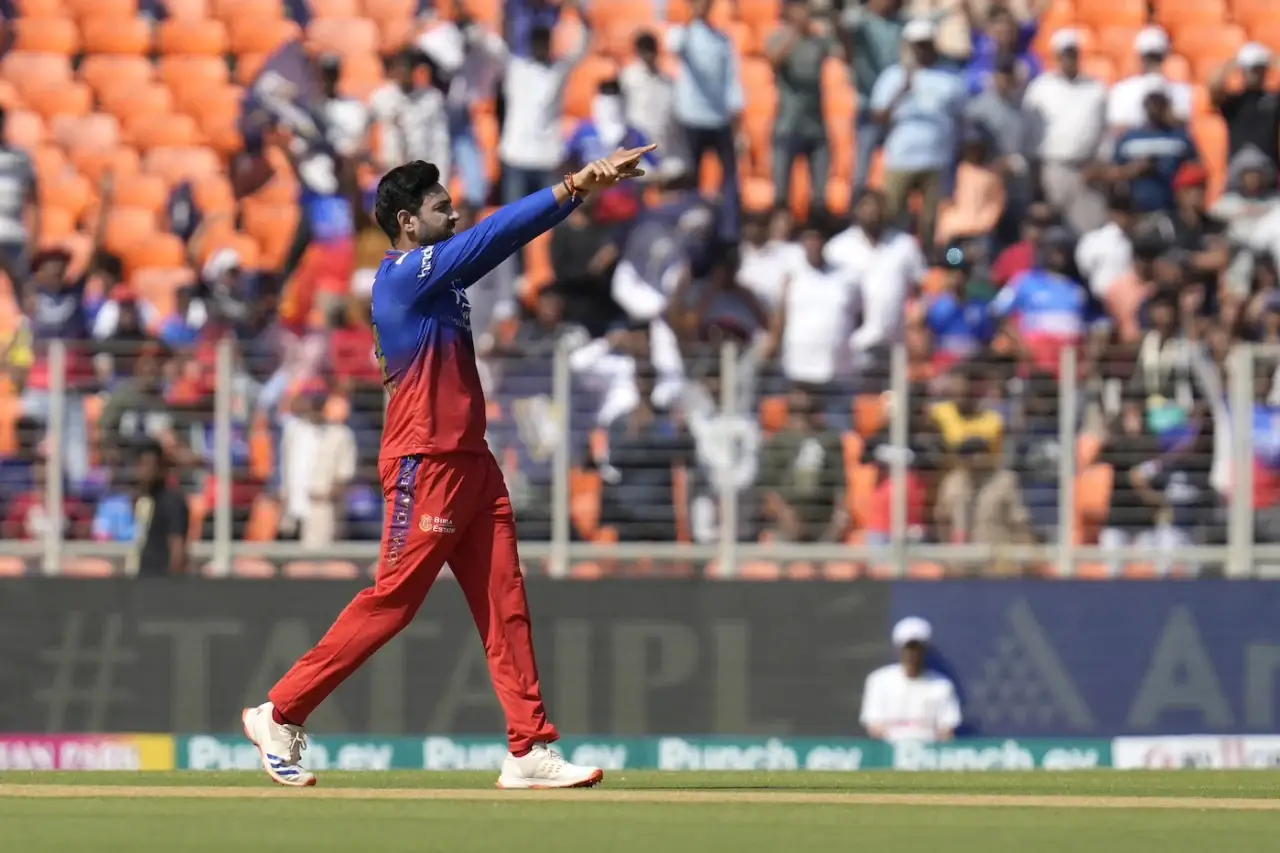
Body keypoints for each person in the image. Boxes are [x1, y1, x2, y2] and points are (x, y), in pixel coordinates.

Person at [241, 144, 657, 790]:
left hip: (472, 459)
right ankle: (280, 709)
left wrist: (574, 194)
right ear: (408, 221)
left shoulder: (442, 280)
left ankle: (528, 747)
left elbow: (490, 245)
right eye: (440, 206)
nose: (455, 213)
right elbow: (495, 234)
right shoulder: (405, 274)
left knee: (504, 602)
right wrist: (575, 184)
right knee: (394, 601)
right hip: (425, 460)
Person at [860, 616, 961, 743]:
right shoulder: (878, 681)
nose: (912, 654)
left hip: (928, 753)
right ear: (898, 649)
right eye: (908, 648)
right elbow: (873, 726)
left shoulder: (942, 685)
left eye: (917, 648)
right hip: (889, 752)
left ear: (925, 649)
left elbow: (946, 730)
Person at [126, 440, 190, 578]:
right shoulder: (141, 500)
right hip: (141, 578)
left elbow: (177, 548)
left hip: (160, 581)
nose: (145, 471)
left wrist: (171, 585)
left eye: (150, 465)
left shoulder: (172, 501)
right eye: (141, 465)